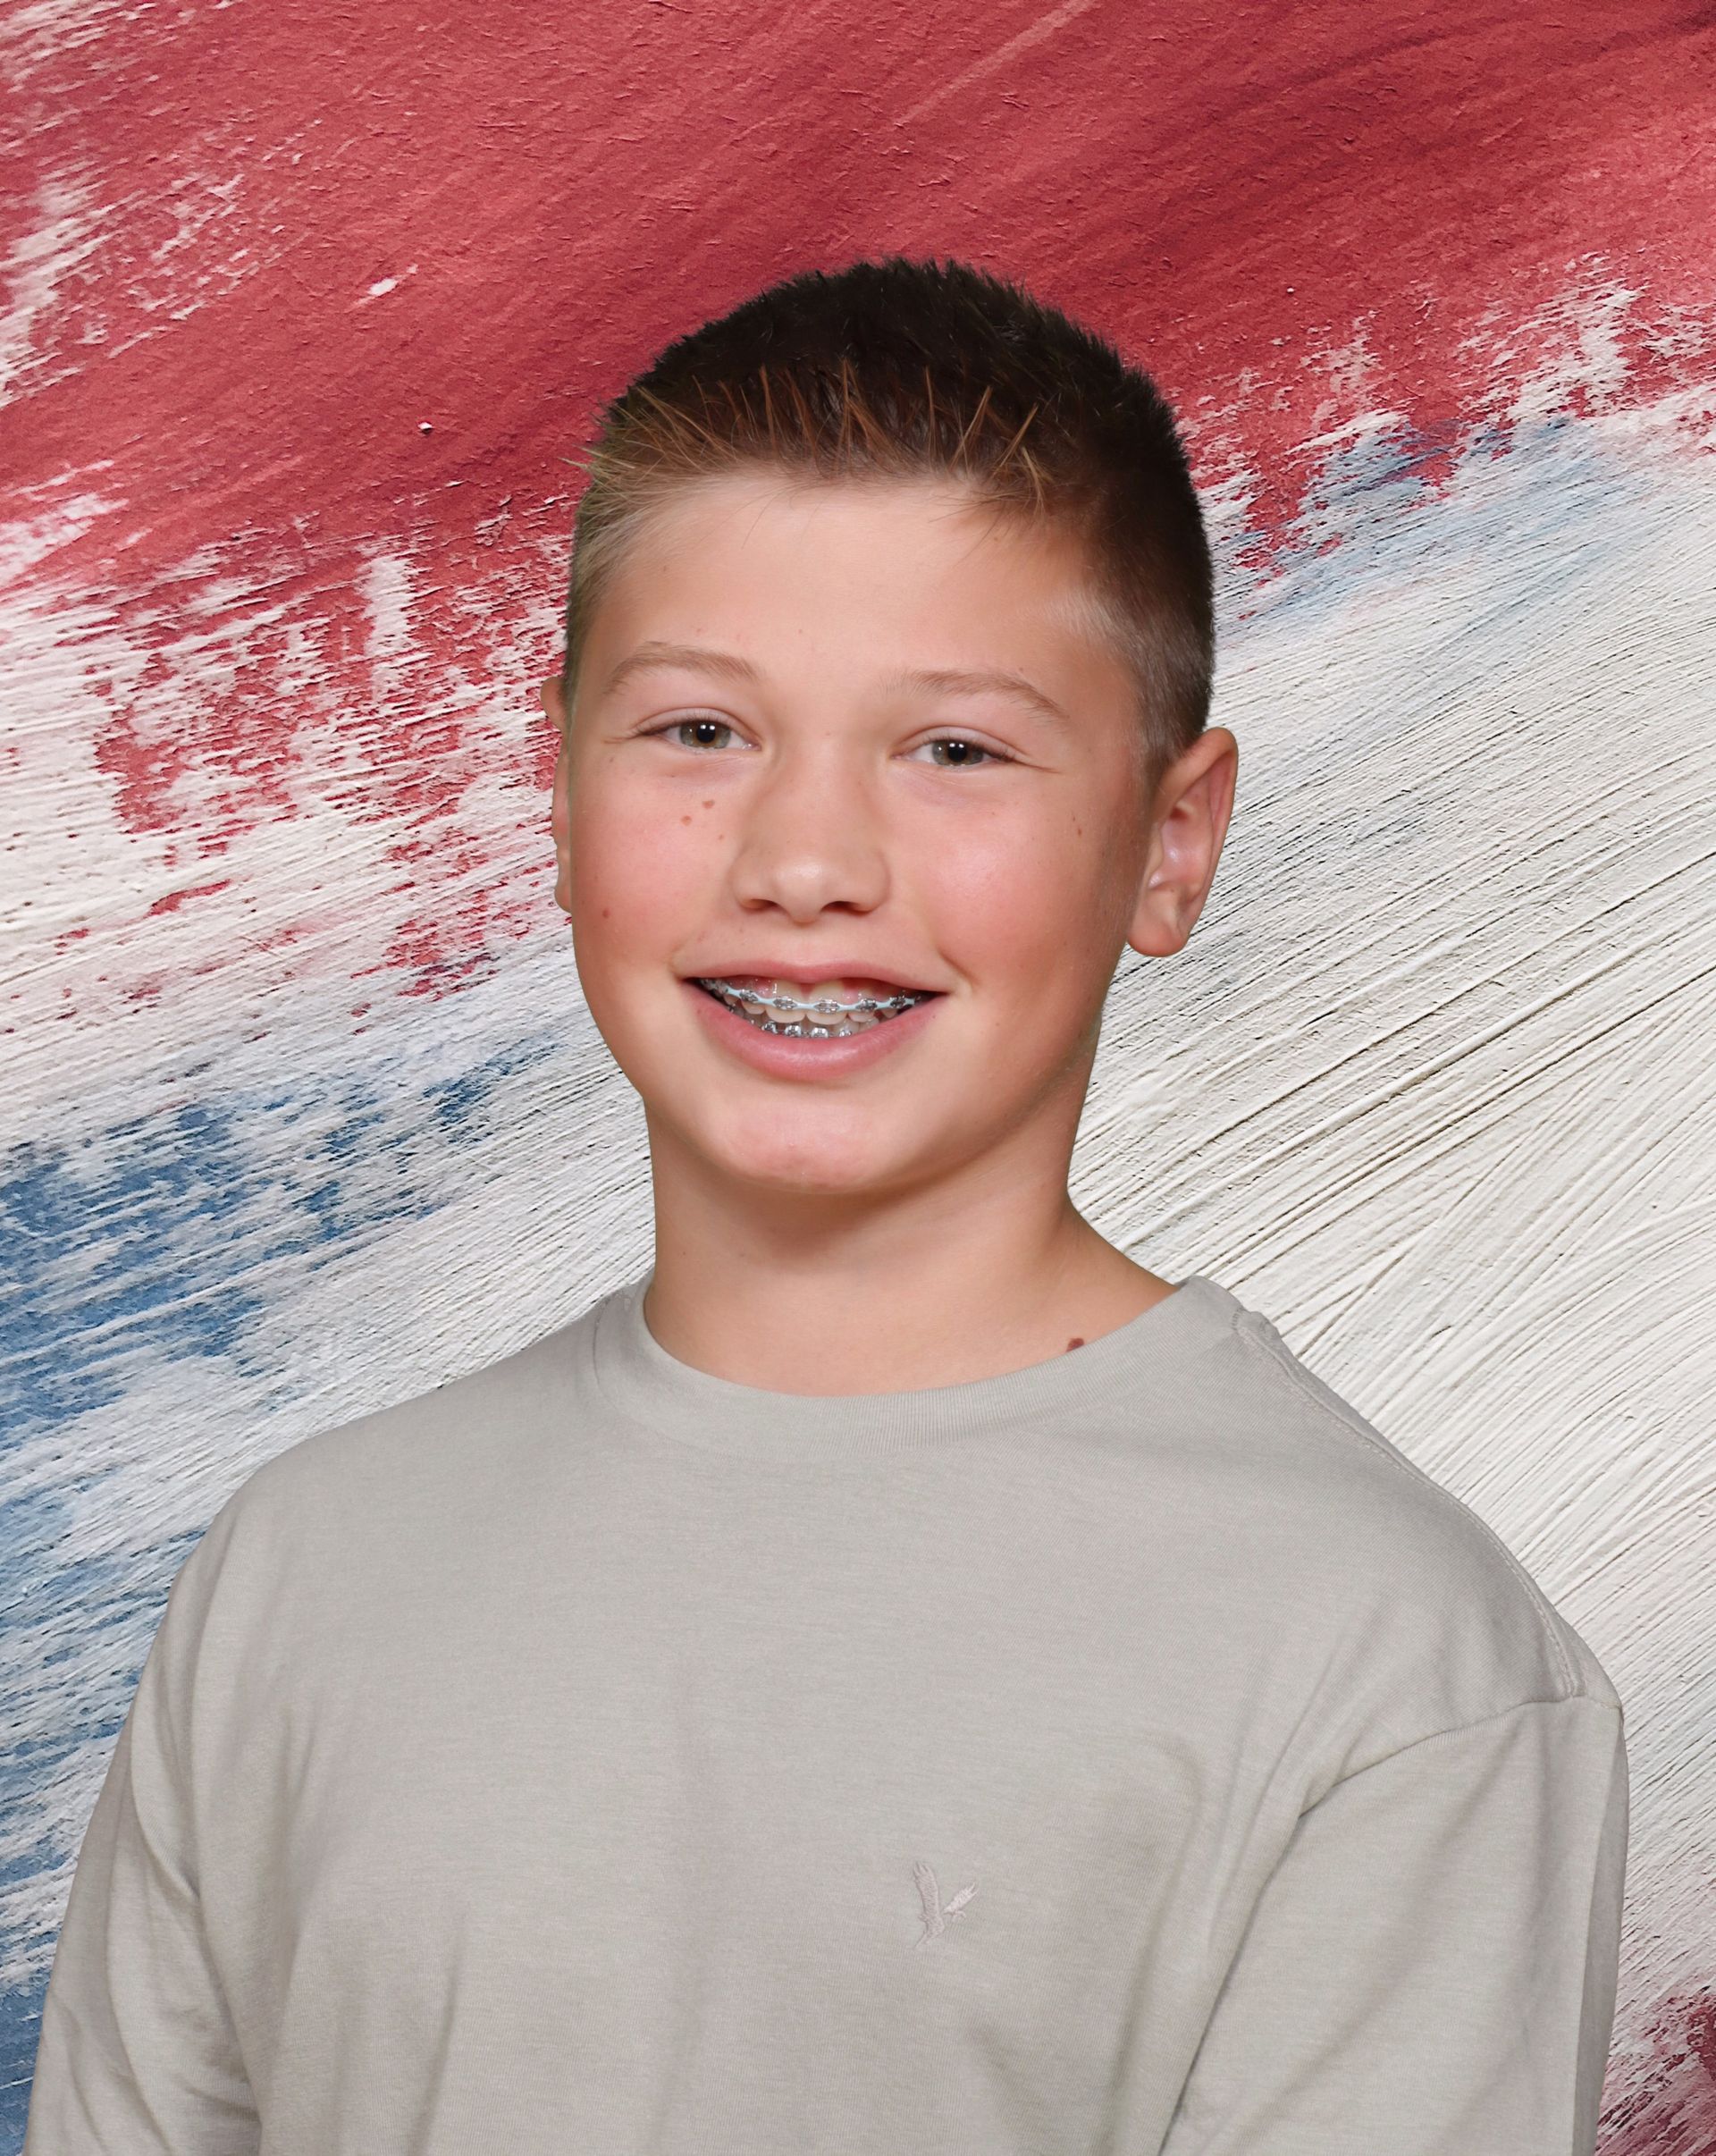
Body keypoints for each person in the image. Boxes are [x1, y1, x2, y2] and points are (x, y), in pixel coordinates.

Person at [24, 257, 1628, 2155]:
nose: (802, 861)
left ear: (1170, 842)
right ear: (555, 800)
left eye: (954, 749)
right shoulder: (297, 1572)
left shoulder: (1394, 1666)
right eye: (701, 732)